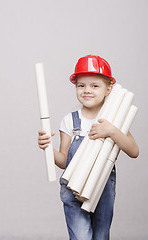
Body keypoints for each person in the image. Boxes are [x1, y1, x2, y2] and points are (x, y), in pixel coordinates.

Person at [38, 55, 139, 240]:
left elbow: (134, 151)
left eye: (95, 86)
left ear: (109, 89)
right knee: (81, 237)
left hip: (102, 188)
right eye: (81, 85)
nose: (87, 90)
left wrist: (111, 131)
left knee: (101, 236)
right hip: (72, 189)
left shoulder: (115, 119)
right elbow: (63, 161)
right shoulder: (70, 120)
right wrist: (47, 149)